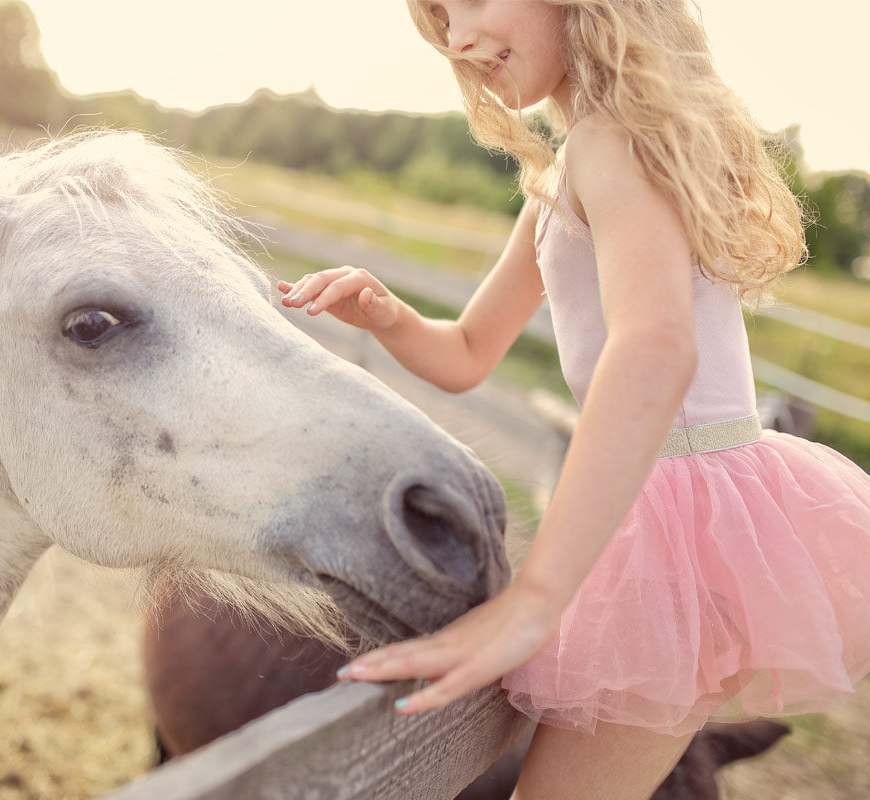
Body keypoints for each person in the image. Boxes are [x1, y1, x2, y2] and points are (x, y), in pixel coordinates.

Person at [275, 2, 870, 797]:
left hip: (677, 522)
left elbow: (654, 348)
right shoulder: (568, 168)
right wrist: (388, 314)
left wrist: (535, 600)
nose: (456, 37)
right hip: (674, 505)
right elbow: (468, 354)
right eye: (440, 16)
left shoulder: (610, 143)